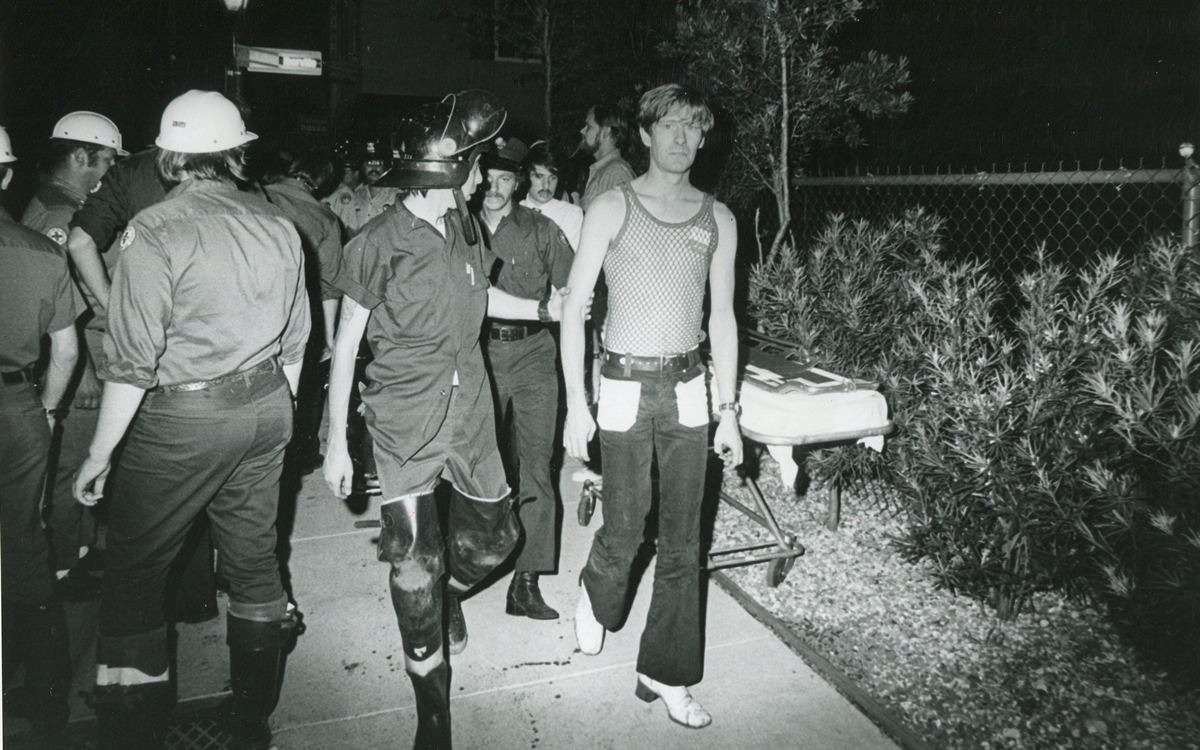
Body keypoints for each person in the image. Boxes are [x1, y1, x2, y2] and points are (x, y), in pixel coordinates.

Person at [323, 91, 567, 750]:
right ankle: (433, 717)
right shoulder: (376, 241)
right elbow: (346, 342)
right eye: (477, 163)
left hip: (471, 413)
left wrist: (550, 310)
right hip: (404, 414)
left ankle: (444, 596)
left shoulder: (465, 225)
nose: (485, 175)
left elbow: (487, 300)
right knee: (413, 564)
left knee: (495, 538)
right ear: (445, 168)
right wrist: (335, 439)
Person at [72, 90, 309, 750]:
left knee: (134, 573)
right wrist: (267, 417)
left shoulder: (157, 230)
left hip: (185, 417)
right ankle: (250, 725)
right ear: (236, 155)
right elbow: (295, 345)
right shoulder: (278, 225)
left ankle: (132, 732)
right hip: (266, 407)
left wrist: (98, 455)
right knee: (255, 567)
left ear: (170, 159)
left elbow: (131, 363)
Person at [561, 83, 743, 729]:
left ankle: (664, 672)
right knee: (627, 525)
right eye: (668, 126)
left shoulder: (717, 219)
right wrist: (576, 405)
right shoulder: (611, 207)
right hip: (622, 383)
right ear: (644, 134)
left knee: (684, 538)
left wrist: (731, 412)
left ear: (703, 136)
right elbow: (574, 309)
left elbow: (722, 319)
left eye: (692, 127)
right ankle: (595, 589)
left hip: (690, 386)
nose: (680, 138)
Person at [67, 141, 222, 626]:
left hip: (144, 340)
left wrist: (115, 306)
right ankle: (195, 595)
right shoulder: (224, 171)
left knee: (140, 484)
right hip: (201, 341)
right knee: (194, 473)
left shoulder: (128, 175)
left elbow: (78, 242)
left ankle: (142, 625)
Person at [21, 111, 127, 602]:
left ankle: (82, 552)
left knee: (85, 460)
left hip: (88, 349)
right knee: (72, 465)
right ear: (81, 156)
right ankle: (64, 568)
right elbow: (68, 305)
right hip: (80, 353)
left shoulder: (65, 205)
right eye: (105, 160)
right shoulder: (58, 217)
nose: (108, 171)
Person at [0, 124, 79, 738]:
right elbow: (66, 351)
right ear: (4, 176)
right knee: (24, 541)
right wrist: (46, 409)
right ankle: (49, 691)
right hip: (16, 408)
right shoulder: (41, 251)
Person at [477, 137, 575, 621]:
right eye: (488, 179)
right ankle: (468, 567)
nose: (494, 189)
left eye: (505, 180)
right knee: (478, 464)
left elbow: (573, 294)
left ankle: (527, 580)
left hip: (535, 354)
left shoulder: (542, 230)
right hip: (478, 355)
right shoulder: (459, 229)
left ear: (518, 182)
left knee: (538, 463)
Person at [261, 149, 344, 472]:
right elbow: (331, 285)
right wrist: (329, 338)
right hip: (298, 320)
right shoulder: (323, 218)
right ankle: (300, 455)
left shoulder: (256, 196)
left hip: (251, 317)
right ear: (324, 182)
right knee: (305, 388)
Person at [323, 138, 400, 236]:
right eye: (369, 164)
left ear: (385, 167)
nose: (374, 168)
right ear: (362, 168)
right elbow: (351, 231)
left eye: (378, 163)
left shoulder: (397, 195)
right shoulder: (356, 194)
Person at [519, 140, 583, 249]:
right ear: (526, 176)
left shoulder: (571, 214)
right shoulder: (512, 212)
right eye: (539, 176)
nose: (546, 186)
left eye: (552, 178)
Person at [578, 101, 635, 211]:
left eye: (588, 126)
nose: (582, 131)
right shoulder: (604, 170)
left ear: (606, 131)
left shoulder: (616, 173)